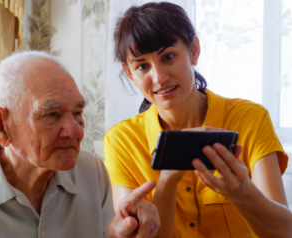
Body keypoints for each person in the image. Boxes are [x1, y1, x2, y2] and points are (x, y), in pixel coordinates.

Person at [104, 2, 292, 238]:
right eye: (142, 66)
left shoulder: (251, 118)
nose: (159, 77)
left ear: (194, 50)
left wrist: (242, 191)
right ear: (130, 73)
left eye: (169, 56)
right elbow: (136, 233)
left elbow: (284, 232)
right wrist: (167, 180)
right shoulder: (121, 141)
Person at [0, 51, 160, 238]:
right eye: (51, 114)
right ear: (1, 126)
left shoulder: (93, 173)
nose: (75, 130)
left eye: (77, 113)